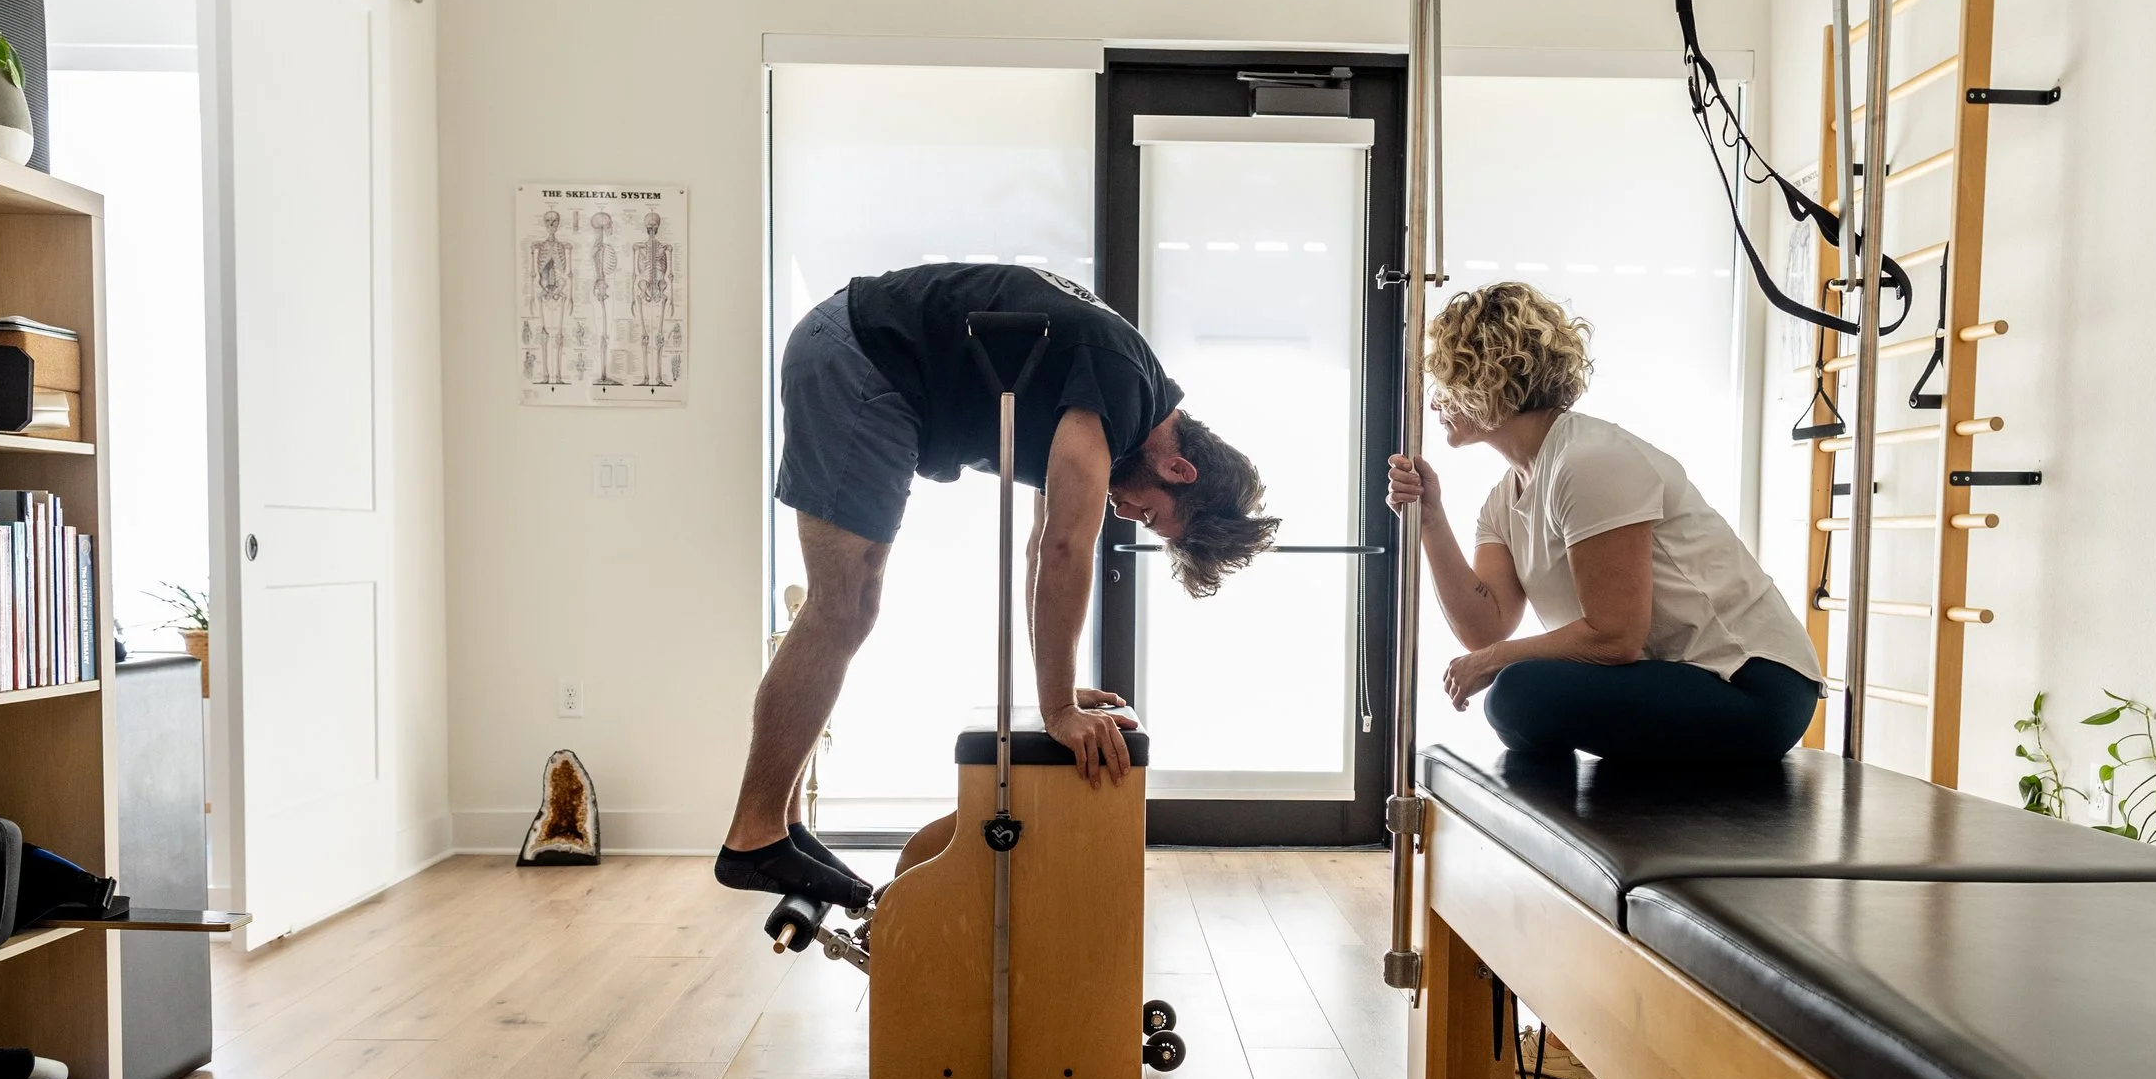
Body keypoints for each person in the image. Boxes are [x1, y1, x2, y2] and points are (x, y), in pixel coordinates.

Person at [719, 262, 1279, 908]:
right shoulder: (1123, 388)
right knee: (841, 606)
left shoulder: (1121, 382)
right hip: (862, 355)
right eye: (1152, 513)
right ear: (1178, 466)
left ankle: (782, 825)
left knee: (851, 603)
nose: (1131, 517)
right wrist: (1060, 713)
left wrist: (1059, 689)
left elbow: (1044, 544)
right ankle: (755, 834)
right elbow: (1067, 547)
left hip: (860, 353)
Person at [1386, 280, 1822, 762]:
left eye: (1446, 382)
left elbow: (1614, 637)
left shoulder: (1588, 460)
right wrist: (1431, 520)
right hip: (1672, 679)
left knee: (1518, 695)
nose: (1434, 403)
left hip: (1754, 686)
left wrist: (1492, 662)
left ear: (1486, 378)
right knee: (1519, 702)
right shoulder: (1503, 499)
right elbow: (1485, 627)